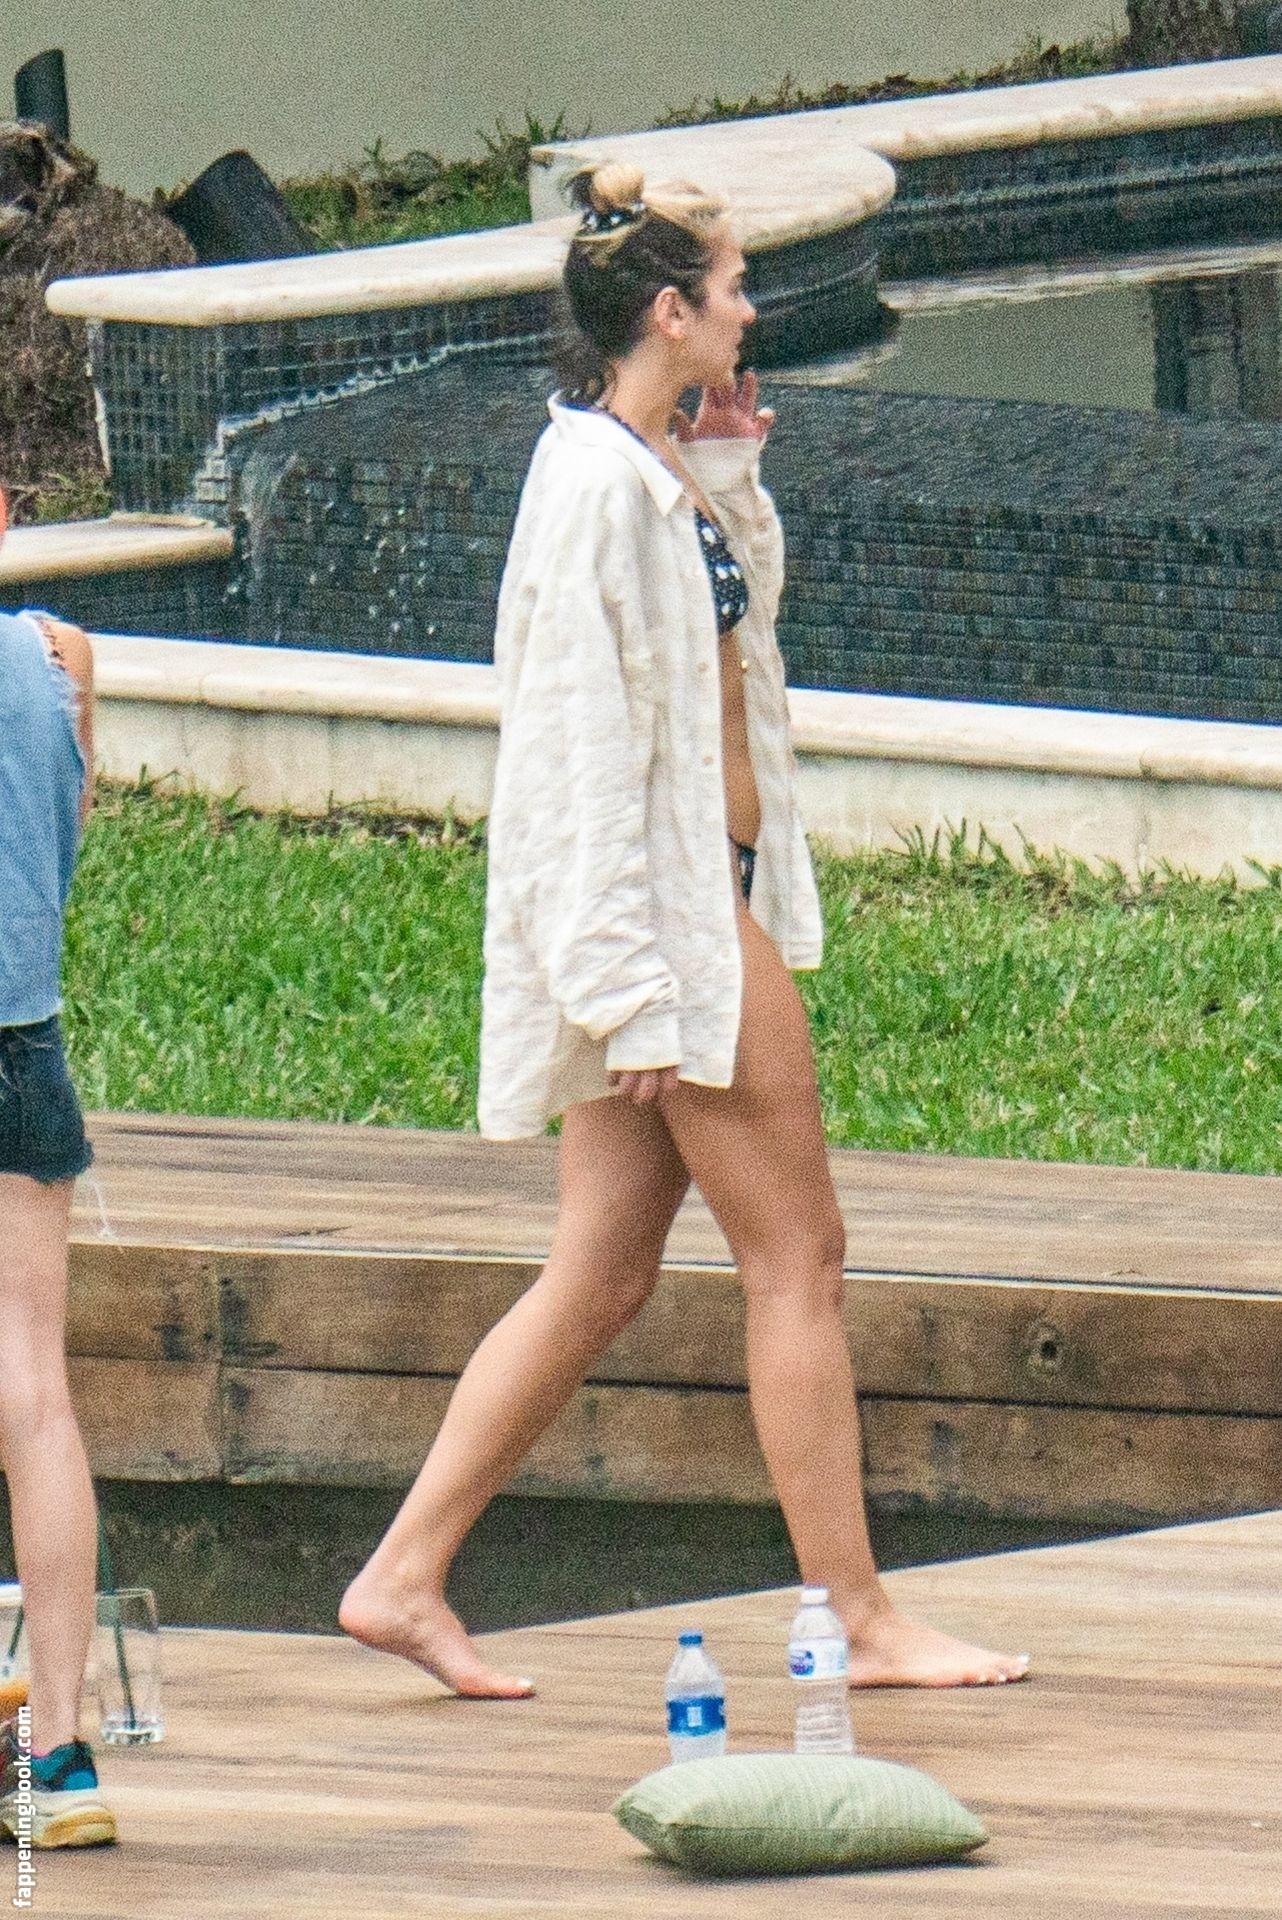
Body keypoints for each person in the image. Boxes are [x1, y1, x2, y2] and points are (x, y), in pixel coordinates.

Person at [341, 163, 1029, 1695]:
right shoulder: (589, 486)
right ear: (668, 309)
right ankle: (858, 1618)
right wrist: (626, 993)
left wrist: (727, 467)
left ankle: (399, 1575)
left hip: (693, 911)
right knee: (800, 1257)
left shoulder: (643, 461)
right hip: (671, 927)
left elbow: (733, 644)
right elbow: (571, 754)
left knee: (600, 1271)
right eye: (731, 287)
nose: (750, 309)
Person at [0, 486, 118, 1846]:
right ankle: (60, 1753)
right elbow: (63, 845)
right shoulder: (60, 657)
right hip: (22, 1051)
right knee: (35, 1394)